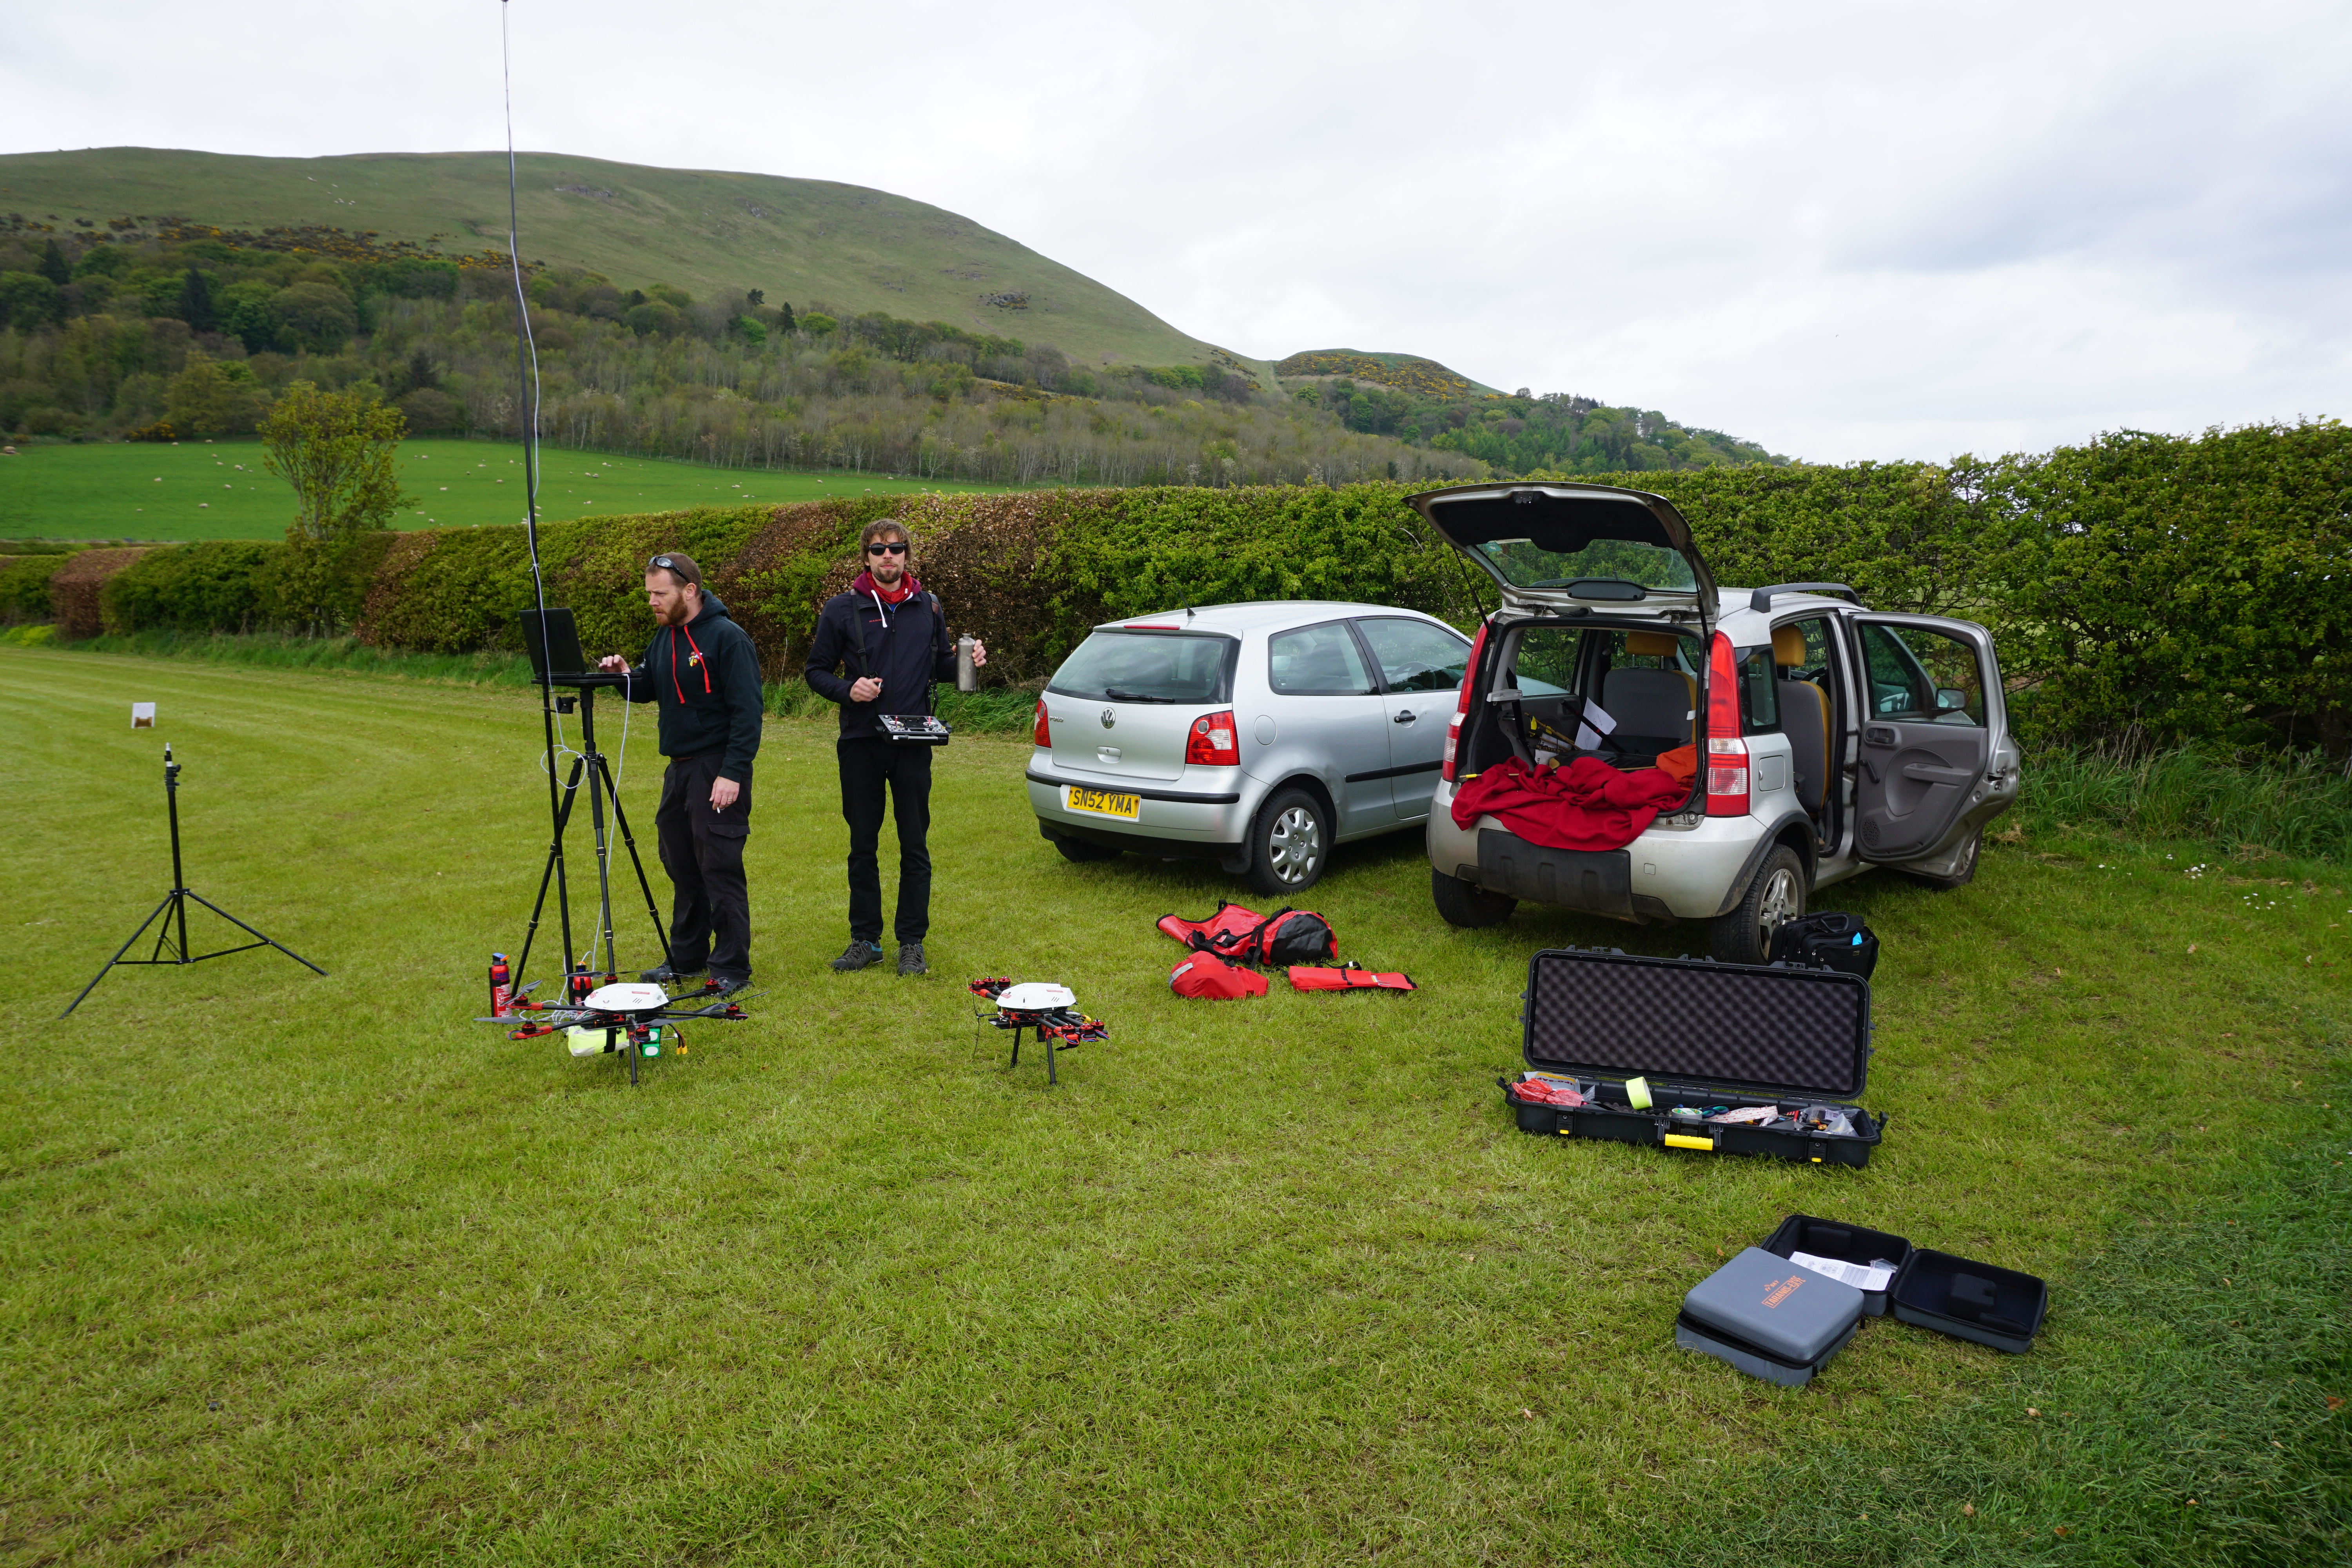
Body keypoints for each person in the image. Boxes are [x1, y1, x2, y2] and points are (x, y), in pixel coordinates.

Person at [804, 519, 985, 975]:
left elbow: (940, 664)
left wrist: (968, 660)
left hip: (914, 739)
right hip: (862, 740)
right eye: (880, 549)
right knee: (863, 843)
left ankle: (911, 943)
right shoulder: (842, 609)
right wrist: (850, 690)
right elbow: (816, 670)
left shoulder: (929, 605)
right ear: (866, 556)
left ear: (907, 555)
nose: (889, 556)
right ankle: (865, 940)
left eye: (897, 548)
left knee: (914, 843)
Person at [597, 552, 762, 995]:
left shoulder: (728, 638)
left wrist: (732, 773)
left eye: (660, 593)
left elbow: (748, 713)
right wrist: (624, 675)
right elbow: (650, 687)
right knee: (681, 862)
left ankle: (730, 967)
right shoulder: (664, 637)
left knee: (719, 864)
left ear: (689, 590)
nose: (652, 601)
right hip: (679, 769)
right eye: (649, 593)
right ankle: (687, 956)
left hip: (717, 768)